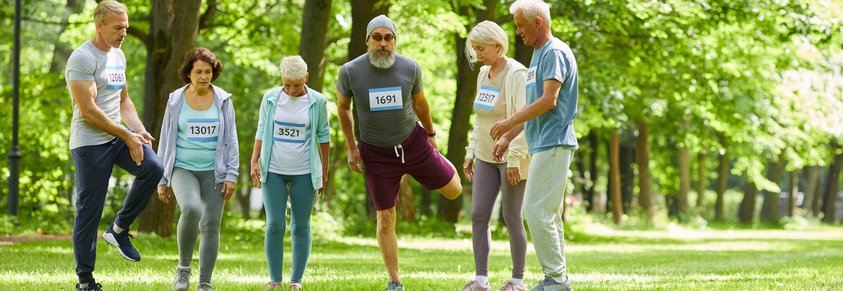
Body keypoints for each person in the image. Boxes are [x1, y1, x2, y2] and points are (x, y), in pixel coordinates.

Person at [335, 15, 462, 291]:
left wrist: (431, 135)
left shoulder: (411, 68)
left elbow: (420, 103)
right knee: (385, 218)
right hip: (376, 153)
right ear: (367, 40)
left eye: (388, 37)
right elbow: (343, 108)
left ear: (394, 40)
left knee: (455, 191)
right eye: (377, 37)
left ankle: (431, 164)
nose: (382, 43)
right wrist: (352, 148)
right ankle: (395, 281)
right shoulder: (349, 71)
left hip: (413, 144)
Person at [64, 1, 164, 290]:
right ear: (100, 25)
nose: (124, 33)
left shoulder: (118, 55)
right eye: (118, 28)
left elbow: (124, 100)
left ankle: (119, 229)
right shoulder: (82, 58)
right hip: (90, 143)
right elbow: (88, 111)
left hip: (117, 136)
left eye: (126, 28)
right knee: (90, 210)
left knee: (153, 168)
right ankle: (85, 281)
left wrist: (138, 130)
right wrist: (127, 135)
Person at [490, 1, 579, 290]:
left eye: (521, 25)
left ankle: (556, 279)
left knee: (535, 210)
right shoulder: (538, 54)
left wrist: (509, 121)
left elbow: (549, 100)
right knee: (548, 214)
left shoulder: (554, 52)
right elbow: (533, 107)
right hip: (542, 142)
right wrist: (508, 136)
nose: (517, 32)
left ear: (539, 22)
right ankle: (558, 278)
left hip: (554, 140)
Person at [156, 47, 239, 291]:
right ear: (188, 73)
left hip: (215, 171)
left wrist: (232, 174)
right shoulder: (176, 100)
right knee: (191, 208)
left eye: (208, 72)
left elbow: (232, 139)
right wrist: (162, 177)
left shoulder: (223, 100)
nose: (204, 76)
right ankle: (183, 270)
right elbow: (165, 138)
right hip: (183, 168)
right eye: (199, 72)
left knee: (211, 224)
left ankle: (205, 282)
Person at [461, 21, 531, 291]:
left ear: (498, 46)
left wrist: (514, 158)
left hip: (512, 156)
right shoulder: (483, 74)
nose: (477, 54)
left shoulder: (517, 74)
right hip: (485, 156)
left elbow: (525, 119)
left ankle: (517, 281)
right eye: (474, 48)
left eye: (481, 48)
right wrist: (470, 152)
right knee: (479, 215)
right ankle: (481, 280)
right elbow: (480, 119)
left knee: (512, 216)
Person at [250, 56, 331, 290]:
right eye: (287, 84)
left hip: (304, 171)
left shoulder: (318, 101)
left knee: (300, 226)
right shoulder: (270, 98)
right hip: (273, 170)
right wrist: (254, 160)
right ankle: (275, 280)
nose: (292, 90)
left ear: (306, 78)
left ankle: (296, 281)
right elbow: (261, 130)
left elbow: (323, 136)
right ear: (281, 79)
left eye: (297, 84)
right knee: (275, 224)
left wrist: (323, 171)